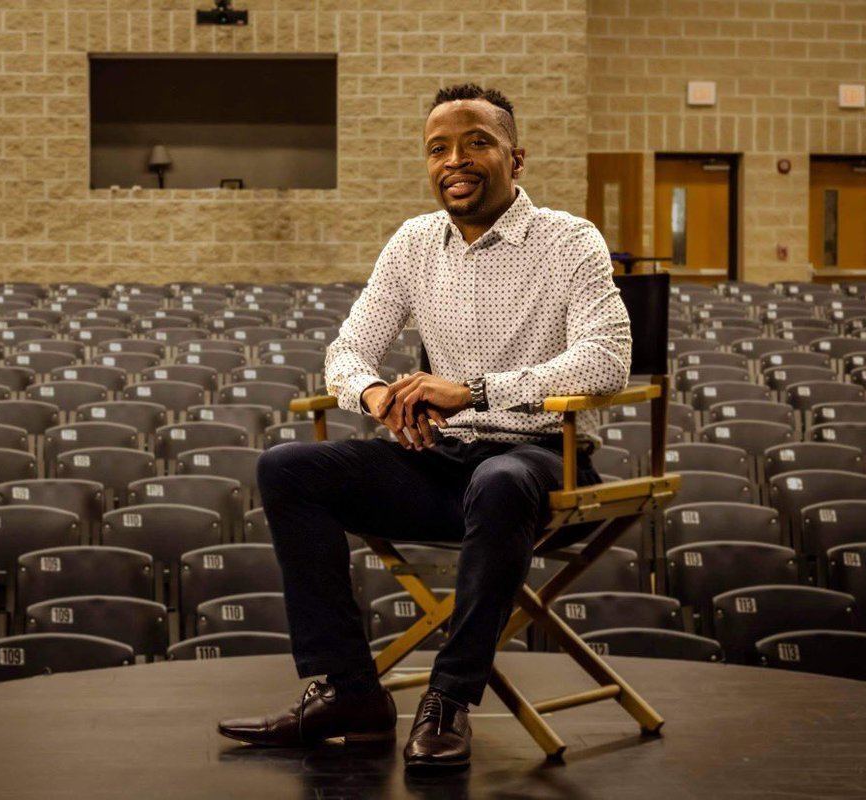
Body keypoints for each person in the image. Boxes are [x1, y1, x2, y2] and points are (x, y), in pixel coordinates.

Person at [217, 83, 632, 772]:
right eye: (438, 148)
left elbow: (607, 359)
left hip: (538, 461)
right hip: (439, 463)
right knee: (287, 469)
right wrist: (379, 396)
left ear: (515, 157)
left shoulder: (568, 239)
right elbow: (346, 351)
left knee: (498, 482)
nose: (455, 160)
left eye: (476, 142)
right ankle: (352, 693)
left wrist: (473, 390)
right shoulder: (414, 242)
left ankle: (448, 699)